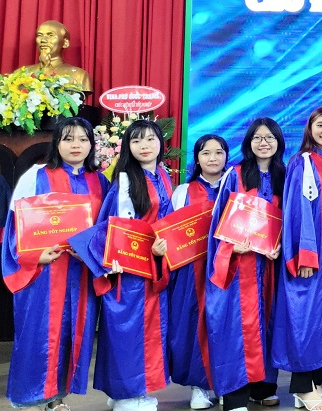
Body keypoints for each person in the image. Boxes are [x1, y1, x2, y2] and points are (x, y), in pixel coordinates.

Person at [3, 118, 109, 411]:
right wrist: (34, 256)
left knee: (70, 335)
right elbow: (15, 225)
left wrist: (91, 252)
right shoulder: (36, 176)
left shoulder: (100, 182)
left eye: (83, 139)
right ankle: (30, 395)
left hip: (81, 273)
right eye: (68, 139)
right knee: (40, 335)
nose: (76, 145)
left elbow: (106, 229)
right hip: (44, 273)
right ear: (56, 143)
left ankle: (56, 399)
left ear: (91, 144)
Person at [68, 120, 173, 411]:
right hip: (131, 271)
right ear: (127, 146)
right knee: (128, 331)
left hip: (154, 268)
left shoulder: (162, 175)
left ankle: (127, 391)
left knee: (145, 331)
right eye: (136, 141)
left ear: (160, 143)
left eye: (150, 139)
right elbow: (121, 230)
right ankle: (129, 395)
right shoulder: (126, 181)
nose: (144, 146)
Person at [207, 120, 284, 411]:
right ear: (249, 142)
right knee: (237, 328)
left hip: (270, 267)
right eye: (257, 138)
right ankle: (236, 394)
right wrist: (230, 248)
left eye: (269, 137)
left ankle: (263, 388)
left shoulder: (284, 175)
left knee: (268, 324)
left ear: (278, 141)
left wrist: (281, 247)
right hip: (240, 267)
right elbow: (219, 221)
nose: (264, 143)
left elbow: (289, 219)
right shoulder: (235, 175)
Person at [270, 109, 322, 409]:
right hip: (309, 255)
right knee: (304, 319)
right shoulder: (304, 162)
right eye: (320, 125)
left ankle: (314, 383)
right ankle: (301, 387)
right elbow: (298, 211)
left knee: (320, 320)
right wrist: (304, 254)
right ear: (309, 128)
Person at [168, 134, 230, 410]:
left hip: (228, 270)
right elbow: (171, 232)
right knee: (193, 327)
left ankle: (227, 385)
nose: (213, 158)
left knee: (226, 327)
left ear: (227, 156)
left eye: (218, 152)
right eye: (206, 153)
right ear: (197, 158)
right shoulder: (183, 192)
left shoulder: (236, 188)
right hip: (191, 272)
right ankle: (199, 386)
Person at [23, 21, 93, 92]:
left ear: (65, 43)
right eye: (40, 35)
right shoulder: (22, 73)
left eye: (50, 35)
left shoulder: (79, 75)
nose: (43, 40)